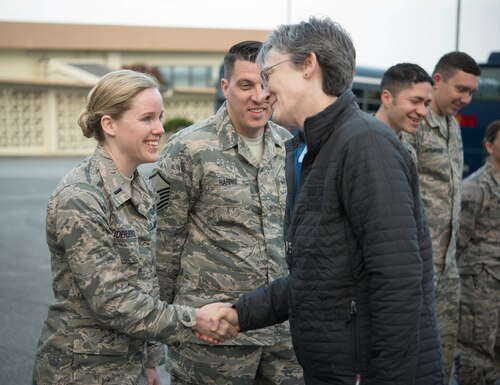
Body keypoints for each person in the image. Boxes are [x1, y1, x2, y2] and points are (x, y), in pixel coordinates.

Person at [205, 16, 444, 385]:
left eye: (268, 76)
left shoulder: (365, 144)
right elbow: (316, 275)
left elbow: (398, 281)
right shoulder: (310, 149)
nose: (264, 92)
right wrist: (241, 314)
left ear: (308, 65)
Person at [32, 69, 236, 385]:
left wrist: (151, 361)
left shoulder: (141, 186)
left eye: (160, 117)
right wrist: (194, 320)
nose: (159, 129)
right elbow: (111, 299)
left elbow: (145, 280)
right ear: (109, 124)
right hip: (81, 370)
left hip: (130, 365)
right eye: (147, 119)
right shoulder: (80, 196)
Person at [152, 41, 303, 385]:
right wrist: (155, 342)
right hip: (213, 336)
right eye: (245, 85)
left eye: (265, 83)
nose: (259, 96)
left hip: (283, 336)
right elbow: (163, 249)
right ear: (225, 87)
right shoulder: (187, 149)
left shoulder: (291, 146)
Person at [403, 51, 481, 383]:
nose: (466, 99)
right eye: (461, 89)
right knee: (408, 358)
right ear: (438, 81)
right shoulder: (415, 124)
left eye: (471, 92)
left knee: (442, 359)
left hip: (448, 268)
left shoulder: (453, 125)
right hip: (418, 264)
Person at [454, 120, 500, 384]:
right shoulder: (476, 187)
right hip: (479, 288)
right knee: (475, 352)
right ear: (489, 146)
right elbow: (459, 240)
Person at [374, 62, 433, 164]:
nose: (423, 112)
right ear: (387, 98)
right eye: (415, 101)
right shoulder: (359, 142)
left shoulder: (408, 152)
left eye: (426, 104)